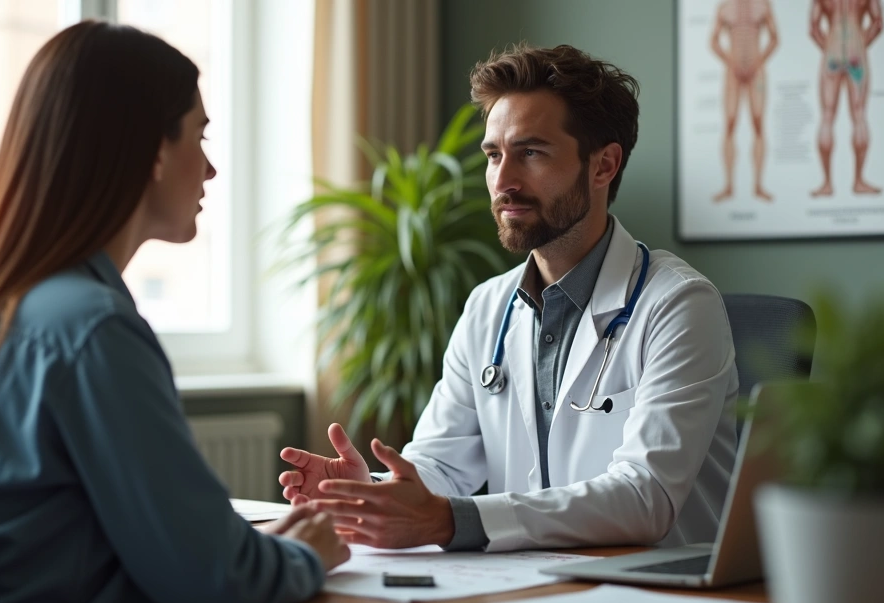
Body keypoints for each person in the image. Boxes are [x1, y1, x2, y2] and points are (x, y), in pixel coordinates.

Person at [0, 22, 347, 603]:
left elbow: (102, 539)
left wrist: (253, 549)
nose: (212, 168)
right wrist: (311, 553)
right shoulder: (92, 331)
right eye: (199, 136)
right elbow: (219, 582)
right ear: (153, 150)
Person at [279, 44, 740, 553]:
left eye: (531, 152)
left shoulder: (678, 305)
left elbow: (644, 496)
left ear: (604, 165)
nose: (502, 181)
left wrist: (450, 522)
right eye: (494, 155)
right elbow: (440, 466)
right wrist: (372, 495)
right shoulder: (487, 307)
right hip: (528, 590)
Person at [810, 0, 884, 197]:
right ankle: (858, 181)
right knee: (859, 116)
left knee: (827, 117)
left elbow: (814, 28)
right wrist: (859, 44)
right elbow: (878, 23)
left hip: (832, 50)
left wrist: (829, 50)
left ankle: (827, 184)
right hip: (855, 51)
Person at [710, 0, 779, 203]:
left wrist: (758, 61)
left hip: (756, 72)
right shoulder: (724, 8)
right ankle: (729, 186)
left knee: (758, 124)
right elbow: (713, 41)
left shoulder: (763, 6)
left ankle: (758, 185)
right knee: (730, 124)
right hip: (733, 72)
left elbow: (774, 39)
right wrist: (731, 62)